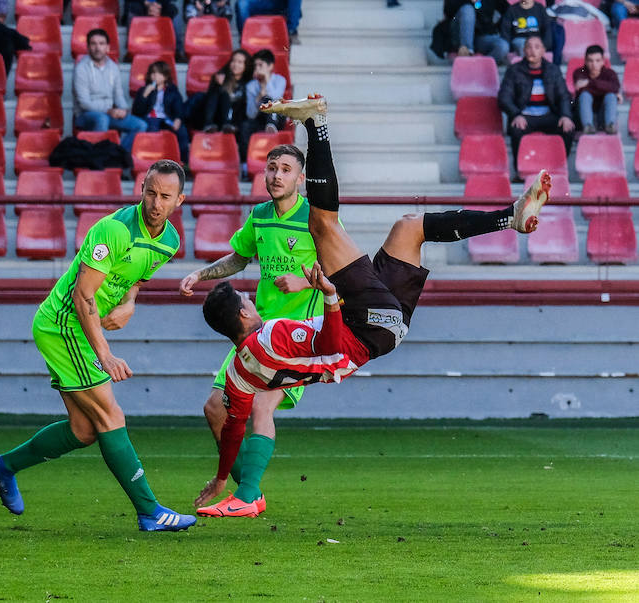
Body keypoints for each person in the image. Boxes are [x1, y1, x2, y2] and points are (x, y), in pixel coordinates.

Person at [193, 94, 553, 508]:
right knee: (323, 222)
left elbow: (235, 421)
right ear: (243, 314)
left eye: (284, 168)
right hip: (364, 325)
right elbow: (328, 346)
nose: (252, 295)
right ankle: (316, 124)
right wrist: (328, 295)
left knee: (409, 227)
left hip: (381, 325)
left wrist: (221, 477)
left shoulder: (248, 360)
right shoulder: (270, 337)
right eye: (245, 296)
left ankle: (509, 217)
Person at [0, 160, 196, 532]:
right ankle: (150, 512)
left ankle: (4, 466)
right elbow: (83, 297)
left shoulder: (170, 242)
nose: (155, 203)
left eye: (164, 196)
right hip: (64, 325)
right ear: (141, 189)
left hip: (81, 328)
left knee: (84, 430)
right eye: (150, 192)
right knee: (111, 416)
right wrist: (105, 354)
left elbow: (136, 278)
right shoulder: (113, 230)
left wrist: (129, 304)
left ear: (179, 200)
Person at [179, 143, 326, 518]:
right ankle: (248, 492)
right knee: (215, 407)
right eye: (272, 168)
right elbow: (239, 258)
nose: (277, 175)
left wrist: (306, 283)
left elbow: (348, 270)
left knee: (261, 403)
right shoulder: (260, 216)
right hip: (253, 332)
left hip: (298, 335)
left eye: (286, 169)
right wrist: (201, 273)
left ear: (301, 177)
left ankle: (245, 496)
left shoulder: (318, 218)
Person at [498, 35, 574, 174]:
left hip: (548, 115)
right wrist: (516, 114)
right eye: (529, 47)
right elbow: (504, 97)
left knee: (567, 129)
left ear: (543, 51)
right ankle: (520, 172)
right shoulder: (514, 70)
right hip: (524, 116)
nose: (532, 50)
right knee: (516, 130)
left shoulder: (553, 70)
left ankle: (558, 168)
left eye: (537, 47)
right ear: (524, 50)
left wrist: (565, 115)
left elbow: (564, 95)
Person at [73, 28, 148, 152]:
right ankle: (99, 159)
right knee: (102, 119)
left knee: (141, 125)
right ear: (88, 47)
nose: (98, 48)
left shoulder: (113, 67)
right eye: (93, 44)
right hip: (85, 115)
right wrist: (108, 110)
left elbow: (118, 95)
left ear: (107, 47)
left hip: (109, 113)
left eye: (101, 44)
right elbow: (84, 103)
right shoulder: (81, 69)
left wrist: (123, 110)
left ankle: (117, 155)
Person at [131, 60, 190, 163]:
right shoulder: (144, 90)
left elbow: (179, 108)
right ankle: (151, 160)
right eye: (152, 73)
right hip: (149, 118)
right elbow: (136, 111)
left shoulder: (172, 91)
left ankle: (183, 162)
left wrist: (178, 119)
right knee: (152, 127)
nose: (155, 76)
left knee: (182, 131)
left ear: (165, 77)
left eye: (158, 73)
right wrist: (145, 95)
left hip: (166, 119)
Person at [240, 49, 286, 173]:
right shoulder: (251, 86)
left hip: (277, 116)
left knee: (270, 100)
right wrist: (258, 97)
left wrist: (266, 80)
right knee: (245, 126)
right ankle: (245, 164)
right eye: (256, 66)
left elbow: (276, 98)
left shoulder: (280, 80)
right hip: (259, 118)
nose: (258, 68)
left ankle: (271, 124)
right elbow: (250, 114)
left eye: (261, 65)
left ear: (270, 66)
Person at [198, 49, 252, 134]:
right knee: (217, 92)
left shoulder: (249, 83)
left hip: (236, 119)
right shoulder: (221, 76)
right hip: (218, 119)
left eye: (240, 62)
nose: (235, 65)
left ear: (246, 65)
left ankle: (229, 126)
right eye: (233, 61)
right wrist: (218, 85)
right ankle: (208, 124)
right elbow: (210, 100)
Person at [572, 44, 620, 135]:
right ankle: (588, 126)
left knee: (611, 96)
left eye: (597, 60)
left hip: (603, 114)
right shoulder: (579, 72)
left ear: (603, 61)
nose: (594, 64)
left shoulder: (610, 73)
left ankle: (610, 125)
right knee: (585, 95)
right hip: (582, 116)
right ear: (585, 61)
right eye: (590, 61)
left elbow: (615, 87)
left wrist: (589, 83)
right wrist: (607, 89)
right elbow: (580, 90)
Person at [444, 0, 509, 64]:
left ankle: (480, 66)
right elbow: (448, 12)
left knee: (503, 46)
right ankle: (467, 51)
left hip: (481, 37)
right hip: (459, 37)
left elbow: (507, 10)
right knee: (468, 9)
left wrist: (496, 27)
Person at [236, 0, 303, 45]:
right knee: (242, 3)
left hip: (280, 4)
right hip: (259, 3)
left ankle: (291, 31)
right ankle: (246, 36)